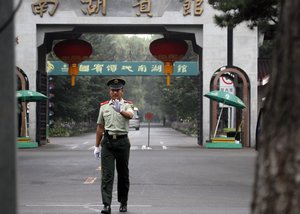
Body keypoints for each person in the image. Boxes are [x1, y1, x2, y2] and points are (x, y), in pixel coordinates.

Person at [94, 78, 134, 214]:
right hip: (108, 142)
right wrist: (96, 146)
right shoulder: (104, 106)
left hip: (122, 142)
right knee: (107, 175)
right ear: (109, 91)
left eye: (117, 90)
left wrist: (120, 110)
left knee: (123, 174)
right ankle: (106, 205)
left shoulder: (128, 105)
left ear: (122, 91)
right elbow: (100, 127)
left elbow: (130, 115)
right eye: (113, 90)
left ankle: (123, 202)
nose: (115, 93)